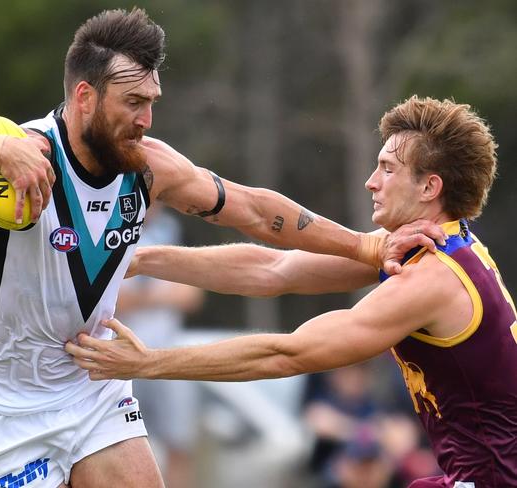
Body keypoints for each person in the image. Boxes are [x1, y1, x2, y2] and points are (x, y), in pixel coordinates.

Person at [0, 7, 443, 487]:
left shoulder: (149, 168)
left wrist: (366, 247)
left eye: (152, 101)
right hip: (4, 402)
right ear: (85, 97)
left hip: (89, 384)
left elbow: (254, 212)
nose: (146, 120)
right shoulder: (23, 155)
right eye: (132, 103)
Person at [67, 96, 517, 487]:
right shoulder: (429, 248)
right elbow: (275, 268)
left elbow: (289, 354)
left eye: (387, 168)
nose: (371, 182)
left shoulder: (431, 277)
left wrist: (148, 363)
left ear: (429, 186)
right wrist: (139, 259)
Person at [116, 203, 203, 488]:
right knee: (122, 443)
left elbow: (191, 295)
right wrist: (160, 295)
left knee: (179, 441)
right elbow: (113, 302)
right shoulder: (110, 226)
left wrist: (143, 298)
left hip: (169, 354)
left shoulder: (172, 230)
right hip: (120, 356)